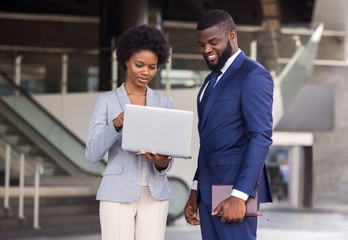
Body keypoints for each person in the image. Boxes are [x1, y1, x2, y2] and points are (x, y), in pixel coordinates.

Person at [184, 10, 274, 240]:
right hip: (207, 192)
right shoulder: (210, 80)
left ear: (232, 35)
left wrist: (240, 195)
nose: (206, 50)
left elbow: (260, 137)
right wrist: (195, 190)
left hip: (233, 192)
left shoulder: (253, 75)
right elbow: (209, 141)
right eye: (201, 44)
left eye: (213, 42)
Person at [85, 24, 174, 240]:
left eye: (152, 67)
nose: (146, 72)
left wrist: (162, 161)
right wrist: (115, 125)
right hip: (116, 192)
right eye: (139, 64)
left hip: (155, 193)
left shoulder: (164, 102)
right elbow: (92, 154)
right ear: (125, 61)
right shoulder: (106, 101)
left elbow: (168, 160)